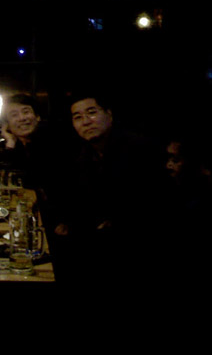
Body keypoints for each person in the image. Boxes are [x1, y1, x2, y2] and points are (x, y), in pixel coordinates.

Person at [51, 91, 163, 289]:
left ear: (109, 114)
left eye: (92, 113)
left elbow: (146, 207)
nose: (86, 122)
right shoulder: (85, 153)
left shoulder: (137, 148)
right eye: (78, 117)